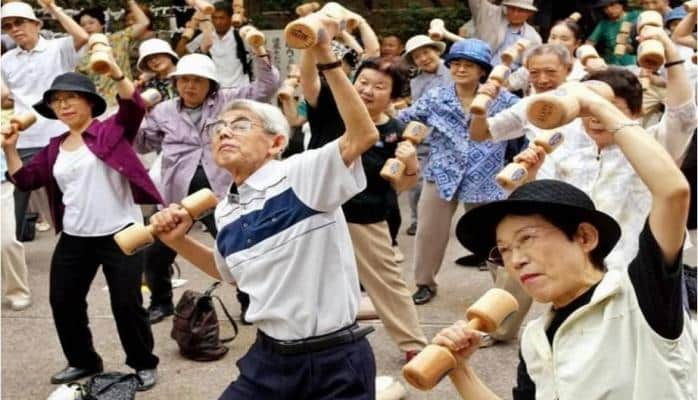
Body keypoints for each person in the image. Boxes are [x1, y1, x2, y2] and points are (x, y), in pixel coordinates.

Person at [148, 21, 379, 398]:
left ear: (275, 143)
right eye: (219, 127)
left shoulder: (301, 175)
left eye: (240, 125)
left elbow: (362, 135)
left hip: (334, 360)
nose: (223, 132)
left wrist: (326, 58)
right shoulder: (226, 210)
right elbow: (233, 275)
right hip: (268, 360)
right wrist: (178, 242)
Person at [435, 80, 694, 399]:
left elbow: (672, 192)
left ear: (585, 237)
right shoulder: (535, 338)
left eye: (527, 238)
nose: (515, 259)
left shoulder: (639, 296)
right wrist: (460, 371)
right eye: (503, 250)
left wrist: (596, 106)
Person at [2, 68, 160, 390]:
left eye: (71, 97)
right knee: (63, 300)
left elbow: (135, 107)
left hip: (121, 232)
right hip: (75, 237)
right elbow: (25, 180)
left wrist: (116, 73)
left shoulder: (111, 131)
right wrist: (10, 149)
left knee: (127, 304)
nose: (63, 105)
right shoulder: (55, 146)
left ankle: (143, 363)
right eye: (57, 101)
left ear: (90, 102)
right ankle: (83, 360)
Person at [135, 51, 280, 324]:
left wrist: (260, 53)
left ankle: (251, 302)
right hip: (177, 195)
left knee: (238, 248)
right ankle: (161, 302)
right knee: (156, 252)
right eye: (184, 80)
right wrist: (133, 115)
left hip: (221, 194)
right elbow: (142, 143)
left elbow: (266, 87)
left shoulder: (229, 102)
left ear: (211, 84)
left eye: (198, 81)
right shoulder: (163, 111)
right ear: (176, 83)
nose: (190, 86)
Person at [396, 39, 520, 305]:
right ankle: (424, 283)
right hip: (441, 173)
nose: (461, 69)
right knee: (429, 231)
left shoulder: (505, 100)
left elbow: (525, 128)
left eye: (469, 65)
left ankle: (503, 290)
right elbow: (404, 119)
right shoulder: (435, 97)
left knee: (491, 235)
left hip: (486, 176)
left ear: (482, 71)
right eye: (456, 64)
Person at [1, 0, 88, 241]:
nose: (15, 29)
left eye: (19, 22)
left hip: (60, 132)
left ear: (36, 24)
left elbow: (82, 36)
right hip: (25, 137)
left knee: (69, 195)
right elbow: (4, 97)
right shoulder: (6, 60)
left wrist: (53, 8)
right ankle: (10, 243)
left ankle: (79, 242)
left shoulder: (58, 48)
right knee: (16, 194)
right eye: (7, 26)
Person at [401, 35, 451, 236]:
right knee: (417, 181)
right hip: (425, 137)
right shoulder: (417, 81)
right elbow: (417, 110)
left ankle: (439, 221)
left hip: (451, 137)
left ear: (436, 51)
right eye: (416, 56)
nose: (423, 58)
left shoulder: (453, 70)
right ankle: (416, 220)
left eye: (426, 52)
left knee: (444, 182)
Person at [74, 1, 150, 108]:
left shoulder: (118, 39)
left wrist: (130, 1)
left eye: (91, 23)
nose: (87, 27)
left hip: (125, 100)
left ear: (102, 24)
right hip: (98, 107)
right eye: (83, 25)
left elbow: (144, 23)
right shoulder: (80, 54)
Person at [177, 1, 251, 89]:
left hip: (241, 88)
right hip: (217, 91)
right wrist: (189, 31)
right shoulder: (206, 36)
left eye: (221, 18)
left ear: (230, 18)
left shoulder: (241, 35)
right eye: (215, 18)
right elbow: (180, 53)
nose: (218, 22)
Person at [507, 18, 588, 93]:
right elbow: (506, 86)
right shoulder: (534, 63)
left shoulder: (583, 71)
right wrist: (505, 63)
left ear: (577, 43)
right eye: (553, 37)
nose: (557, 43)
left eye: (564, 39)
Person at [467, 0, 543, 70]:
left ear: (529, 13)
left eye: (521, 10)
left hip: (505, 79)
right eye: (512, 8)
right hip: (476, 68)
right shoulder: (490, 15)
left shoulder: (533, 38)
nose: (515, 13)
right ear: (506, 7)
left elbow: (528, 68)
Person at [586, 0, 639, 66]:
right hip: (612, 64)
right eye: (605, 7)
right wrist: (590, 57)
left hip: (634, 62)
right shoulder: (604, 24)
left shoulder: (636, 16)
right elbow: (589, 43)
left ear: (621, 4)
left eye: (612, 5)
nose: (609, 10)